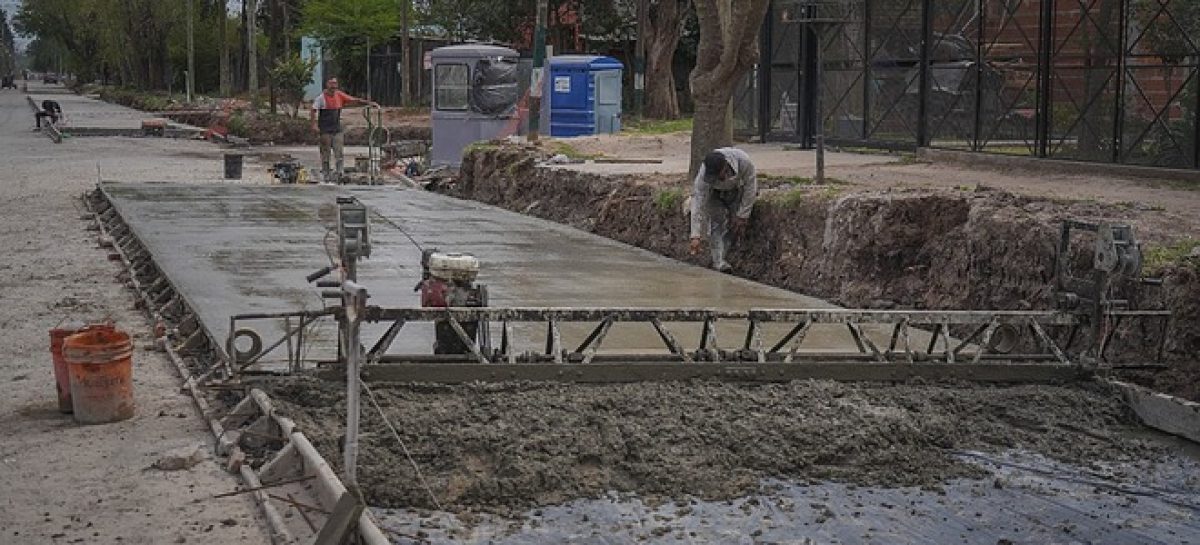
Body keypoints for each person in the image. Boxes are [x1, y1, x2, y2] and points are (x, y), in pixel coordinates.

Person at [688, 147, 758, 272]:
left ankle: (730, 252)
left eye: (717, 175)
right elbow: (698, 200)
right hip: (713, 193)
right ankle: (719, 262)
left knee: (734, 224)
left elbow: (750, 188)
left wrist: (743, 215)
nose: (714, 177)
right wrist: (695, 235)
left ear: (725, 167)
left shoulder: (743, 162)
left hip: (736, 190)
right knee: (717, 222)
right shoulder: (704, 174)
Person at [310, 77, 377, 183]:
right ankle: (326, 174)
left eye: (335, 84)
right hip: (325, 130)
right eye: (331, 84)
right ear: (327, 85)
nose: (333, 86)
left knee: (339, 153)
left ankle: (340, 173)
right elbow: (313, 110)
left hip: (337, 129)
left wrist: (369, 103)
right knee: (325, 153)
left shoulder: (339, 95)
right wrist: (314, 125)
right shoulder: (321, 98)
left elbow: (354, 100)